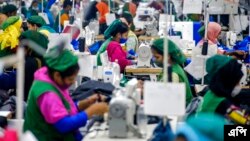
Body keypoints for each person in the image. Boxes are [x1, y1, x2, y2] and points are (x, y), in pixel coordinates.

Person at [23, 47, 109, 141]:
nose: (72, 82)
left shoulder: (52, 81)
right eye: (70, 79)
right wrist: (91, 111)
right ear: (57, 75)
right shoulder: (47, 93)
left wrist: (82, 105)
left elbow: (61, 109)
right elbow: (63, 125)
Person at [196, 55, 250, 124]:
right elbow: (245, 122)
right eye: (237, 83)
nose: (239, 86)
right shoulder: (223, 104)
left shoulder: (211, 93)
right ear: (228, 82)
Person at [151, 38, 193, 105]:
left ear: (167, 56)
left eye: (157, 57)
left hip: (182, 111)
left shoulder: (173, 75)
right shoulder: (173, 66)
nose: (154, 60)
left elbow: (168, 102)